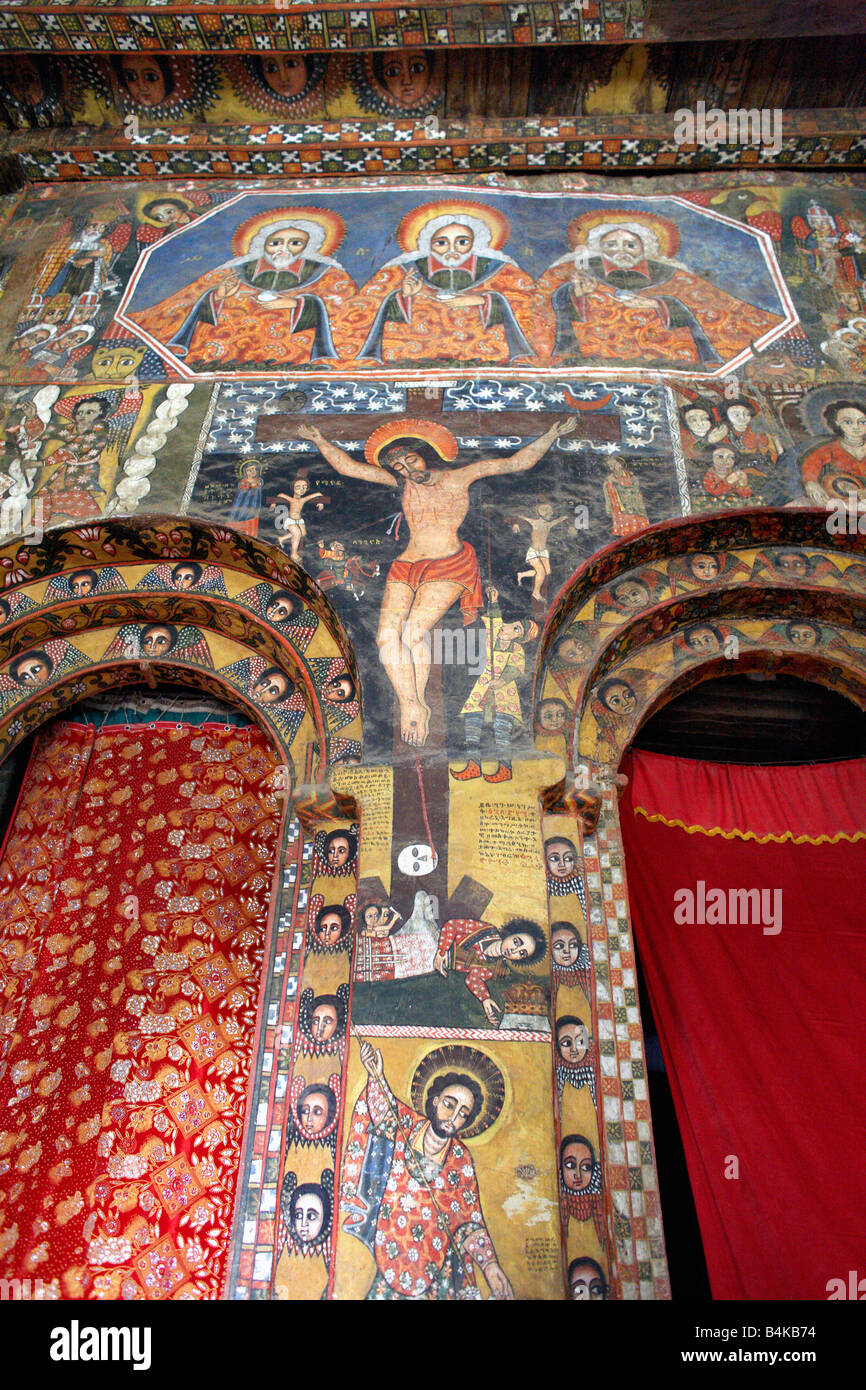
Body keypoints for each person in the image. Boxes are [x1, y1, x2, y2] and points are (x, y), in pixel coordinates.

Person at [298, 414, 575, 745]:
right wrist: (319, 439)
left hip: (449, 564)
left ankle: (419, 706)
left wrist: (550, 433)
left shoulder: (460, 477)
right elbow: (349, 468)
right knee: (387, 637)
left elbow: (514, 462)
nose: (405, 468)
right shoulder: (402, 485)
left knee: (414, 633)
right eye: (398, 465)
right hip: (406, 565)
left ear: (424, 453)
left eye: (410, 458)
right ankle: (411, 704)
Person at [342, 1041, 513, 1299]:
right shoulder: (408, 1125)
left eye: (463, 1113)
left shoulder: (459, 1159)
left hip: (436, 1266)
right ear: (434, 1101)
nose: (453, 1116)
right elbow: (384, 1109)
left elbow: (468, 1220)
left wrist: (489, 1264)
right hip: (392, 1252)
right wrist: (375, 1075)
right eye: (449, 1104)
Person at [540, 210, 784, 367]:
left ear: (645, 248)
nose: (620, 250)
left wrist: (659, 304)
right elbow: (538, 306)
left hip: (668, 358)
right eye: (611, 244)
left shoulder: (674, 275)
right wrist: (574, 296)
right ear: (599, 248)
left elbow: (714, 311)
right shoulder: (580, 271)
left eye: (630, 244)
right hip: (596, 356)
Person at [130, 209, 356, 367]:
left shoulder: (327, 272)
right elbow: (186, 299)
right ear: (261, 244)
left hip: (296, 345)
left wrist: (295, 303)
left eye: (295, 243)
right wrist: (218, 296)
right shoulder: (235, 270)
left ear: (310, 246)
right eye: (275, 242)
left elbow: (345, 310)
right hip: (229, 345)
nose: (283, 248)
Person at [348, 201, 553, 365]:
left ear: (476, 243)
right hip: (418, 351)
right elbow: (367, 306)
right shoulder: (406, 269)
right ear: (428, 244)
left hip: (485, 349)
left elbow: (527, 303)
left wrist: (482, 300)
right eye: (441, 243)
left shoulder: (500, 269)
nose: (451, 249)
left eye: (462, 242)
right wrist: (405, 296)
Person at [433, 916, 547, 1026]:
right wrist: (442, 951)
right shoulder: (487, 931)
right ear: (511, 934)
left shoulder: (494, 967)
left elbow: (473, 979)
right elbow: (452, 925)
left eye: (522, 953)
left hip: (438, 968)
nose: (514, 950)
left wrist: (485, 999)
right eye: (516, 942)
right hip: (436, 942)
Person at [800, 400, 866, 504]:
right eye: (848, 422)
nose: (856, 427)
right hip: (839, 500)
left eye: (862, 422)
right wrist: (810, 483)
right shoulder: (829, 449)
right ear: (837, 423)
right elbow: (810, 465)